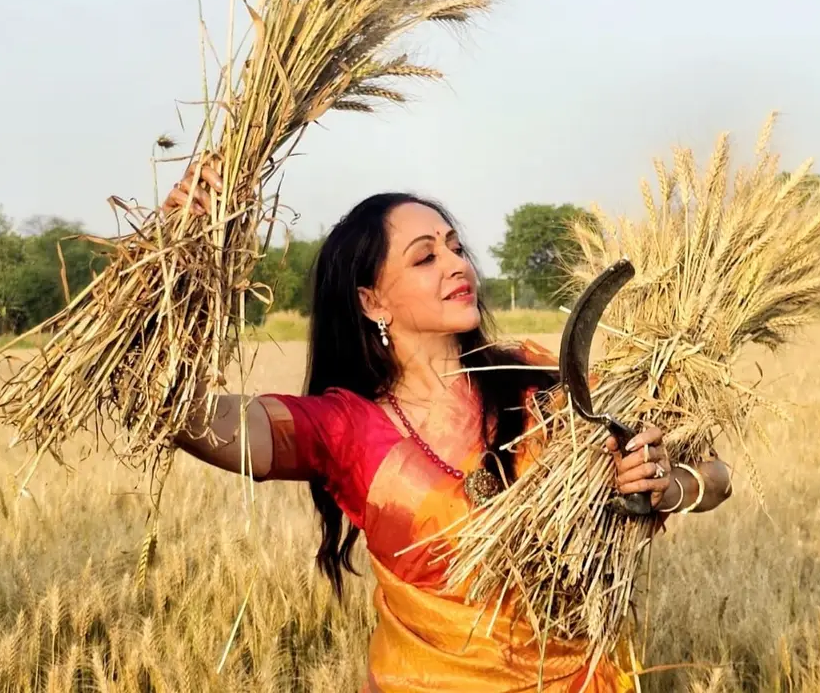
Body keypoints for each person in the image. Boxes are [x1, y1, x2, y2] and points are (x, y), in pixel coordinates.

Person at [166, 164, 732, 692]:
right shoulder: (345, 428)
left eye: (456, 248)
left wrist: (664, 485)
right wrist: (177, 256)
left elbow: (717, 474)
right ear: (371, 301)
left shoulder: (538, 378)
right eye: (424, 258)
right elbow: (185, 415)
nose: (457, 264)